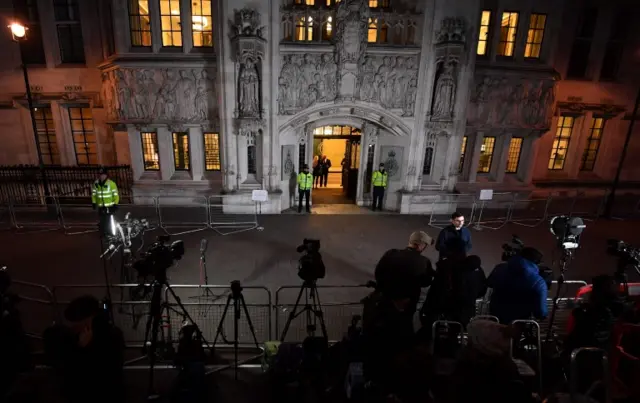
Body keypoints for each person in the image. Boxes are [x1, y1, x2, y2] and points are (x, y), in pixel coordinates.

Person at [43, 295, 125, 403]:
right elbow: (64, 370)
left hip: (102, 393)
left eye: (76, 322)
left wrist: (84, 349)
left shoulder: (111, 337)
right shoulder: (68, 337)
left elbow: (104, 373)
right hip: (78, 392)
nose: (72, 326)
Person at [420, 237, 487, 332]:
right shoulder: (476, 268)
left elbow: (437, 291)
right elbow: (482, 290)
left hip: (446, 312)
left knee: (438, 336)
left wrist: (427, 309)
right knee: (457, 337)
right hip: (466, 312)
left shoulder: (446, 267)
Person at [374, 230, 435, 328]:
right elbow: (426, 282)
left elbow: (378, 273)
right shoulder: (424, 262)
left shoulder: (391, 253)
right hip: (407, 305)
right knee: (404, 331)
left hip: (385, 301)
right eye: (425, 245)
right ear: (420, 245)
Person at [487, 247, 548, 325]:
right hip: (517, 324)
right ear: (537, 262)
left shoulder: (499, 268)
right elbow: (540, 313)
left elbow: (489, 283)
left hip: (495, 318)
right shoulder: (538, 281)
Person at [92, 167, 120, 237]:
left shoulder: (111, 184)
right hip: (101, 206)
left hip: (109, 206)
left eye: (103, 174)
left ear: (106, 175)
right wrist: (94, 202)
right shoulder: (96, 183)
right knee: (102, 221)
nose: (101, 176)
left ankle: (111, 233)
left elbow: (116, 195)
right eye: (100, 174)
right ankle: (103, 233)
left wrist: (115, 204)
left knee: (110, 221)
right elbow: (94, 194)